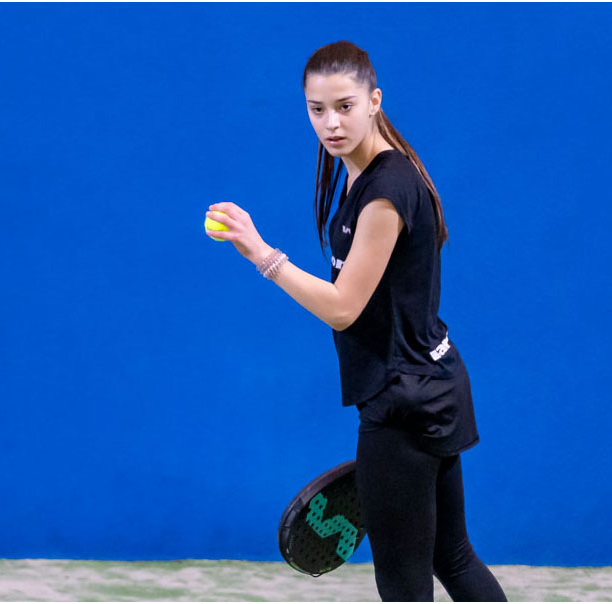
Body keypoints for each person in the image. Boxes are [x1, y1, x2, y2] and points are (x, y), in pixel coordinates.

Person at [204, 40, 507, 602]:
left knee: (404, 582)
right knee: (451, 554)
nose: (331, 123)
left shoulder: (385, 193)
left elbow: (345, 307)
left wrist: (262, 254)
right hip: (432, 384)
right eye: (317, 109)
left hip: (404, 402)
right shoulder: (362, 171)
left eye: (345, 106)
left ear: (374, 100)